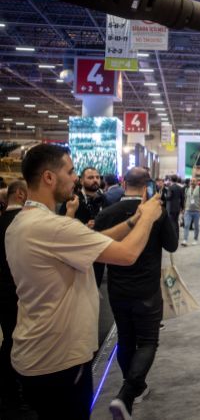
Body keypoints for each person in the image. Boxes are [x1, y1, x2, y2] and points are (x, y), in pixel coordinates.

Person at [5, 144, 163, 419]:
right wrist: (147, 218)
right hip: (59, 358)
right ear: (49, 178)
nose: (76, 177)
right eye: (71, 170)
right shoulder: (53, 228)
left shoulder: (23, 223)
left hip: (35, 353)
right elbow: (127, 255)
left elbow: (94, 241)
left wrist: (132, 221)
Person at [94, 167, 178, 419]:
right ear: (147, 186)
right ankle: (127, 393)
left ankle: (136, 388)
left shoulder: (107, 214)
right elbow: (172, 244)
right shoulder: (156, 213)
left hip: (118, 290)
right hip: (147, 290)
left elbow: (97, 252)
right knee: (148, 341)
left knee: (126, 340)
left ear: (122, 182)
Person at [0, 180, 28, 415]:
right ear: (20, 194)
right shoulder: (25, 224)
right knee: (18, 341)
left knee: (8, 338)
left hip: (4, 292)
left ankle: (9, 390)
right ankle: (15, 391)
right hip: (20, 292)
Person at [181, 177, 200, 246]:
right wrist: (183, 208)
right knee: (186, 225)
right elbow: (185, 199)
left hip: (196, 211)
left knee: (196, 226)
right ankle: (185, 240)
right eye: (191, 181)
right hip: (188, 210)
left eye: (194, 181)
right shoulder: (187, 189)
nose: (192, 182)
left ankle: (195, 239)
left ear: (197, 182)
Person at [165, 175, 184, 240]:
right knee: (176, 221)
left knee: (172, 222)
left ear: (170, 179)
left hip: (171, 207)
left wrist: (165, 197)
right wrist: (182, 207)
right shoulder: (180, 188)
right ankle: (177, 236)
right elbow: (182, 198)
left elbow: (169, 197)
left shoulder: (170, 187)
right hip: (177, 207)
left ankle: (173, 237)